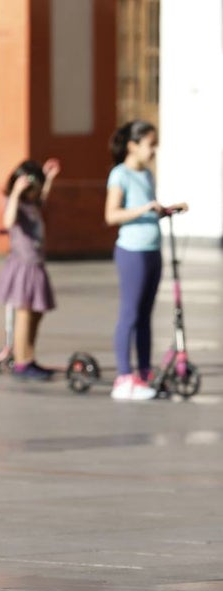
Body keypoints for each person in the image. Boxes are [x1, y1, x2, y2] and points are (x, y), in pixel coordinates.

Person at [104, 120, 187, 401]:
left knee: (145, 316)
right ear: (133, 145)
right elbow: (111, 215)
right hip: (132, 252)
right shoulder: (120, 175)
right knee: (129, 314)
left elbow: (148, 210)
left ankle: (144, 372)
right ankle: (123, 378)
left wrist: (165, 210)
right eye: (150, 145)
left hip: (153, 250)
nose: (154, 151)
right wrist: (144, 209)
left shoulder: (147, 175)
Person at [0, 158, 62, 381]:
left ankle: (29, 357)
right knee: (25, 313)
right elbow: (8, 221)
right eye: (33, 189)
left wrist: (48, 179)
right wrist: (15, 193)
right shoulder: (15, 203)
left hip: (36, 264)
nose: (36, 193)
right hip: (23, 266)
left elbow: (42, 199)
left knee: (37, 312)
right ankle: (21, 362)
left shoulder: (32, 204)